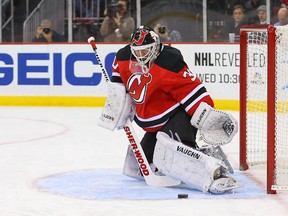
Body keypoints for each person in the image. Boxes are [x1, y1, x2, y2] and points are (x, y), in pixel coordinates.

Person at [97, 25, 242, 194]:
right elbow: (117, 81)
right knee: (139, 165)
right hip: (154, 125)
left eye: (145, 51)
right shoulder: (123, 57)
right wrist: (117, 104)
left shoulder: (169, 61)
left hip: (177, 116)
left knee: (175, 155)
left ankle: (215, 175)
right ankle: (207, 154)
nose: (140, 56)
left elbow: (191, 90)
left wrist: (207, 117)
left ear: (156, 47)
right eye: (137, 51)